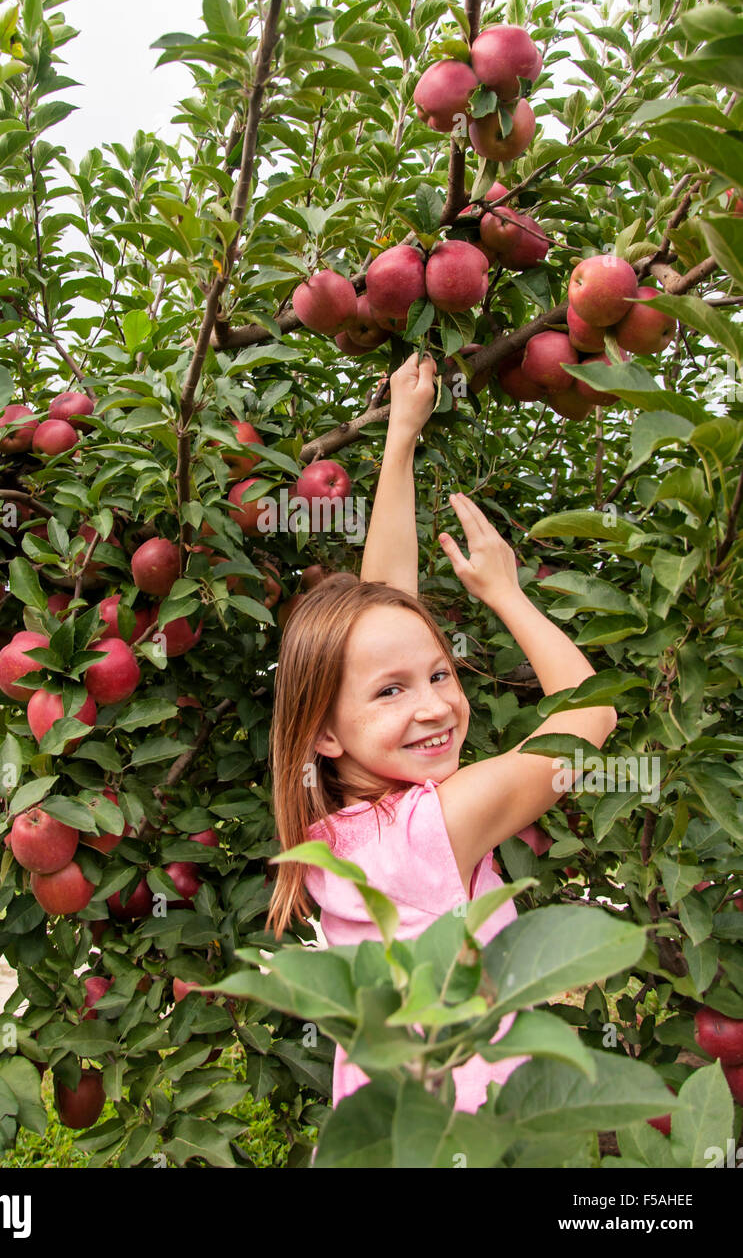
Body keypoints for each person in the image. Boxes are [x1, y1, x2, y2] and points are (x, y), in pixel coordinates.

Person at [265, 350, 618, 1114]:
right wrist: (505, 594)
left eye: (437, 674)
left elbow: (382, 611)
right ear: (326, 733)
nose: (431, 705)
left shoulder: (343, 825)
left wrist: (401, 435)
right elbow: (590, 716)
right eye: (391, 692)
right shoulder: (434, 825)